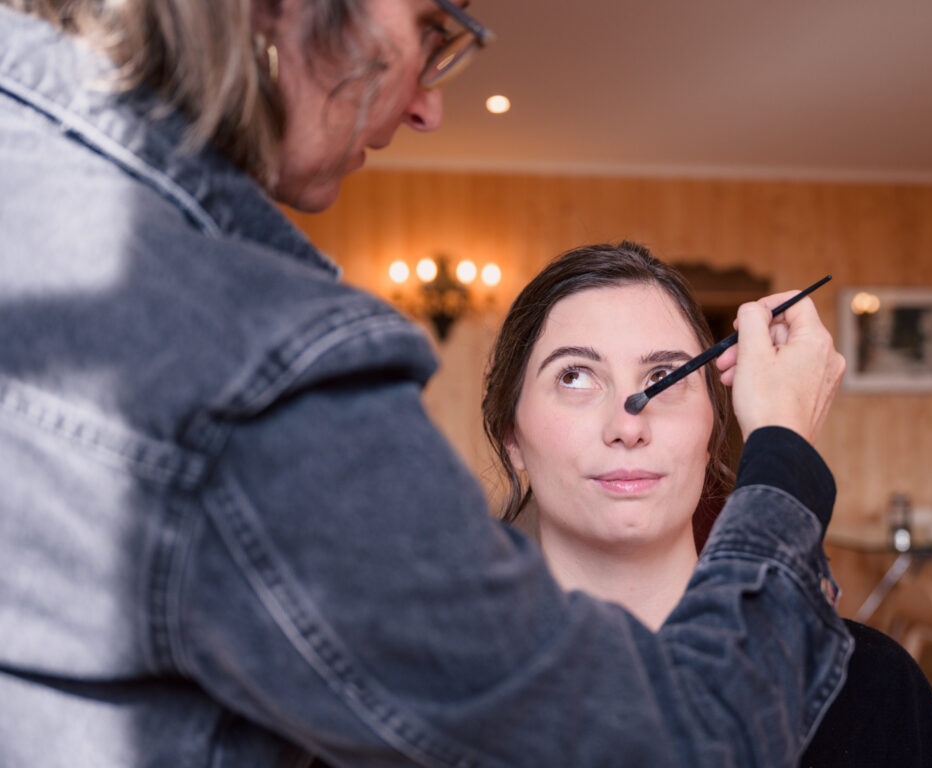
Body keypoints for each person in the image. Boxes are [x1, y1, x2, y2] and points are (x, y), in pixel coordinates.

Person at [0, 1, 852, 765]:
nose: (428, 106)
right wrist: (784, 452)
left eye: (664, 380)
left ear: (710, 423)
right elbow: (687, 742)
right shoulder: (244, 364)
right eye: (429, 33)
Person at [482, 241, 932, 767]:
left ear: (714, 425)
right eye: (574, 375)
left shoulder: (874, 686)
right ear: (513, 435)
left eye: (661, 379)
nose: (627, 426)